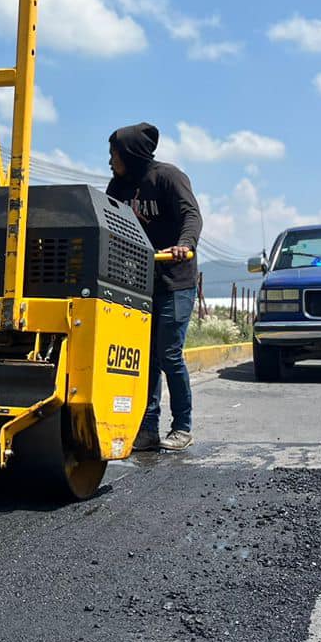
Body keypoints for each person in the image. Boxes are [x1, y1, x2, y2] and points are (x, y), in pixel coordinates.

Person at [106, 123, 201, 452]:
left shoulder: (168, 177)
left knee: (169, 354)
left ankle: (182, 427)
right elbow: (109, 224)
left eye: (114, 154)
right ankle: (146, 429)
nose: (110, 161)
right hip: (140, 282)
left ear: (130, 153)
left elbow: (192, 216)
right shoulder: (118, 187)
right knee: (145, 358)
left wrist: (184, 244)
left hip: (176, 279)